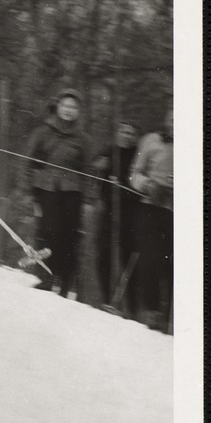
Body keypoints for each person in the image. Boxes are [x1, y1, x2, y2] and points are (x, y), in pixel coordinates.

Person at [24, 89, 91, 298]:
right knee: (47, 232)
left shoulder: (82, 138)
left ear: (78, 112)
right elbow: (28, 161)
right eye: (65, 106)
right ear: (58, 107)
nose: (69, 111)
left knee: (69, 236)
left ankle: (64, 282)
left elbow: (88, 170)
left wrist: (88, 198)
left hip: (72, 191)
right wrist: (29, 190)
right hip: (46, 189)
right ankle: (46, 276)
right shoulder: (43, 131)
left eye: (73, 107)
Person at [129, 108, 173, 332]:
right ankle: (152, 311)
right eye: (172, 119)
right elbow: (134, 173)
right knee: (150, 258)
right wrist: (147, 185)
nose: (175, 124)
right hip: (150, 207)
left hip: (179, 211)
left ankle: (174, 317)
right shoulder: (150, 141)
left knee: (174, 265)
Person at [92, 121, 141, 307]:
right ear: (118, 133)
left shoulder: (138, 154)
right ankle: (106, 299)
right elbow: (94, 168)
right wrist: (100, 166)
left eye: (131, 133)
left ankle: (131, 305)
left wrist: (124, 186)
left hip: (130, 211)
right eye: (124, 132)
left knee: (128, 256)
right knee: (103, 253)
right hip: (108, 208)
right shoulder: (109, 150)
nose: (127, 136)